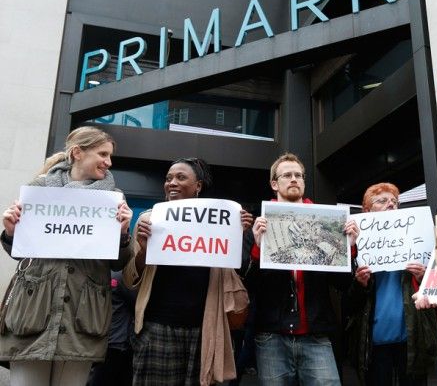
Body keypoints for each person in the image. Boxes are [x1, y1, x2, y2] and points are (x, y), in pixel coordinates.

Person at [0, 126, 134, 386]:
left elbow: (120, 262)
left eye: (110, 156)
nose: (109, 162)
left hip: (82, 315)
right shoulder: (38, 188)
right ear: (77, 153)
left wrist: (123, 234)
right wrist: (10, 232)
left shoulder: (114, 198)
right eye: (103, 154)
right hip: (33, 311)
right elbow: (20, 254)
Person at [123, 157, 253, 386]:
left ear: (198, 186)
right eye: (168, 178)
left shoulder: (220, 222)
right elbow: (130, 278)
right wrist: (144, 250)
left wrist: (237, 232)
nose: (172, 183)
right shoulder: (148, 220)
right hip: (156, 327)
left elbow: (236, 268)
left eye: (181, 177)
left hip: (203, 329)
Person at [247, 153, 359, 386]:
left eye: (299, 175)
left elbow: (343, 285)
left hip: (316, 336)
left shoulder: (328, 223)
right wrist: (258, 249)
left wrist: (349, 249)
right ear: (274, 183)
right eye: (287, 175)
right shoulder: (261, 226)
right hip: (271, 337)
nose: (294, 179)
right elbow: (250, 287)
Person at [347, 183, 437, 386]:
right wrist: (360, 283)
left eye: (394, 202)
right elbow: (348, 304)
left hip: (411, 340)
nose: (390, 204)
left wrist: (424, 275)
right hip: (374, 343)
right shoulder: (353, 246)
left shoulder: (418, 239)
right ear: (367, 211)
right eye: (382, 201)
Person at [87, 270, 137, 386]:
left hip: (101, 340)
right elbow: (138, 304)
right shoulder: (121, 277)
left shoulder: (97, 275)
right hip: (118, 343)